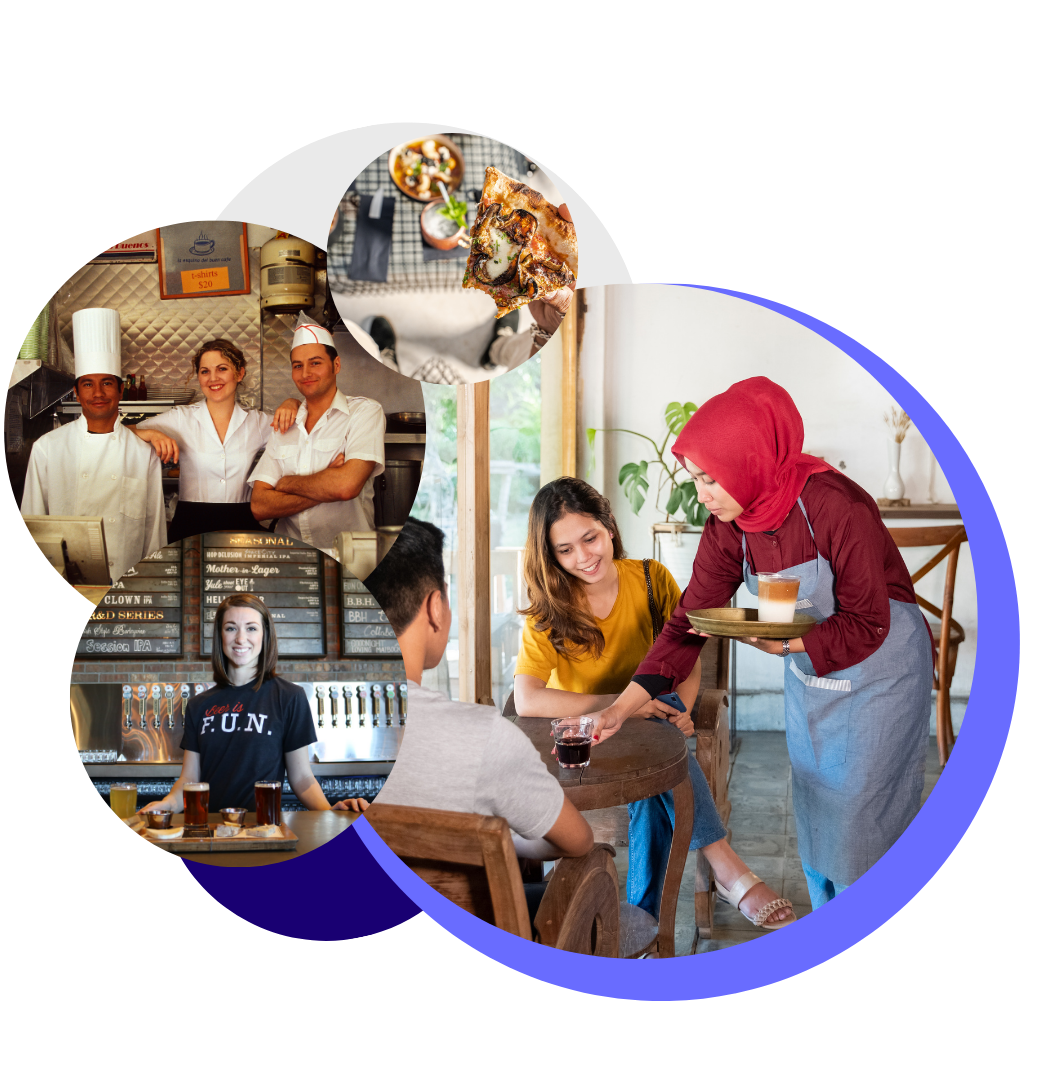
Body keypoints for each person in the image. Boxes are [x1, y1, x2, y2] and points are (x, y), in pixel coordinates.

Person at [590, 377, 935, 909]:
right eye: (695, 478)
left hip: (881, 669)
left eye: (710, 479)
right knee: (820, 807)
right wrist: (619, 709)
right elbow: (687, 624)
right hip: (812, 671)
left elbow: (868, 622)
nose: (701, 494)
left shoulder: (837, 505)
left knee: (862, 817)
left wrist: (790, 647)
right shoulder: (731, 523)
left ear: (749, 462)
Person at [514, 477, 794, 929]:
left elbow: (687, 654)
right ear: (551, 555)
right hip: (589, 743)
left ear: (609, 526)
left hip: (653, 729)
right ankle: (721, 869)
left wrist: (678, 708)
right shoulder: (549, 609)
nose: (583, 557)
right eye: (565, 550)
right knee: (657, 756)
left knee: (655, 767)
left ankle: (641, 928)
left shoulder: (649, 579)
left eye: (590, 538)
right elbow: (527, 698)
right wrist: (623, 705)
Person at [366, 518, 594, 864]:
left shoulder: (291, 730)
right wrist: (493, 844)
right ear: (435, 607)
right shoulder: (486, 739)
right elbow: (577, 842)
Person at [143, 593, 365, 815]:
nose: (240, 639)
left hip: (263, 829)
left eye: (251, 628)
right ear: (220, 635)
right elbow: (189, 779)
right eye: (231, 628)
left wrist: (329, 811)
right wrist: (168, 804)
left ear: (264, 635)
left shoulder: (289, 697)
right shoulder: (198, 705)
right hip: (211, 831)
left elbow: (303, 779)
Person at [21, 307, 166, 582]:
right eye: (88, 385)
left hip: (125, 582)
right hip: (62, 582)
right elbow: (31, 525)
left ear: (121, 390)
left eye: (107, 384)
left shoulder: (142, 454)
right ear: (76, 392)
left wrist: (149, 586)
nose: (98, 393)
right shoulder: (48, 449)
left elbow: (154, 528)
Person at [130, 339, 301, 543]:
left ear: (240, 374)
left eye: (222, 369)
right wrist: (151, 433)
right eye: (205, 371)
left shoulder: (257, 422)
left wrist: (293, 402)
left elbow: (304, 429)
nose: (213, 378)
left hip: (242, 522)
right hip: (190, 523)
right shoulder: (180, 418)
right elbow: (121, 433)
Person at [248, 321, 385, 554]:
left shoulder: (365, 412)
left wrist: (285, 484)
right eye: (297, 365)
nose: (306, 373)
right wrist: (325, 483)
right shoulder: (284, 423)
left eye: (315, 363)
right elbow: (259, 506)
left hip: (349, 558)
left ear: (336, 364)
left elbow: (346, 486)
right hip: (291, 556)